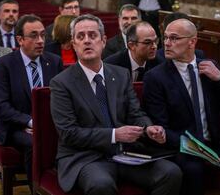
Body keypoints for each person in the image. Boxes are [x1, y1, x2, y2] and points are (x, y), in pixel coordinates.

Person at [50, 14, 182, 195]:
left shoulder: (120, 75)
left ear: (104, 41)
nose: (87, 41)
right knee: (101, 184)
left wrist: (148, 128)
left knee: (171, 173)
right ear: (73, 44)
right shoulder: (61, 82)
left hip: (125, 154)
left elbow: (135, 113)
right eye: (80, 37)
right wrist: (114, 135)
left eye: (93, 35)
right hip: (85, 157)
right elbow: (69, 133)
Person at [143, 18, 220, 195]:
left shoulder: (209, 67)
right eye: (165, 38)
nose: (167, 44)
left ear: (192, 41)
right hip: (183, 148)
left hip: (215, 144)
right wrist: (201, 151)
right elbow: (161, 127)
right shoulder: (155, 78)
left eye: (174, 38)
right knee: (194, 171)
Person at [0, 14, 63, 189]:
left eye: (43, 35)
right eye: (33, 36)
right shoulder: (4, 65)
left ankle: (58, 186)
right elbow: (1, 107)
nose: (40, 41)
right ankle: (36, 189)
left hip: (50, 124)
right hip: (15, 127)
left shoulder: (54, 62)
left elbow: (62, 100)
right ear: (20, 40)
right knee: (35, 143)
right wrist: (30, 122)